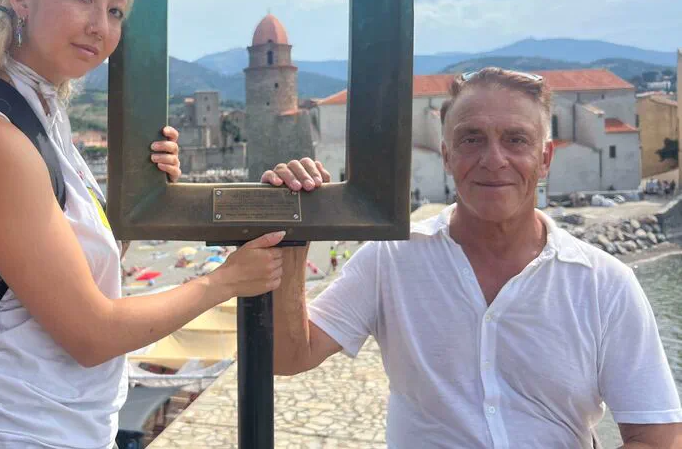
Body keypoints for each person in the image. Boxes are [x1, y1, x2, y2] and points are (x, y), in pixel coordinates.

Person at [0, 0, 285, 449]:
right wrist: (223, 282)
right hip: (5, 428)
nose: (100, 25)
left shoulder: (41, 117)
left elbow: (85, 266)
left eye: (115, 11)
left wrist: (146, 194)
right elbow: (91, 334)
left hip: (55, 424)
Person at [264, 67, 682, 448]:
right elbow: (290, 355)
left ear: (545, 157)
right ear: (446, 156)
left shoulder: (604, 283)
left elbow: (658, 437)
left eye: (516, 139)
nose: (493, 159)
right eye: (471, 139)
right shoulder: (390, 259)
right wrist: (292, 235)